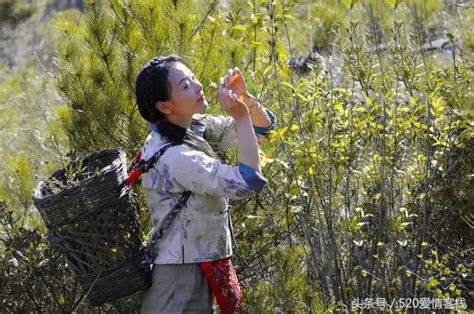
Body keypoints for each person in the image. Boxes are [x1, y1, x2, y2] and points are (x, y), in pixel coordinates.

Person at [135, 55, 275, 313]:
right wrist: (241, 118)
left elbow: (261, 133)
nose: (198, 85)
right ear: (165, 107)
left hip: (194, 267)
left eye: (193, 78)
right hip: (180, 280)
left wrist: (246, 100)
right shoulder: (176, 157)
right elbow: (246, 182)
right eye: (185, 86)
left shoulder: (193, 127)